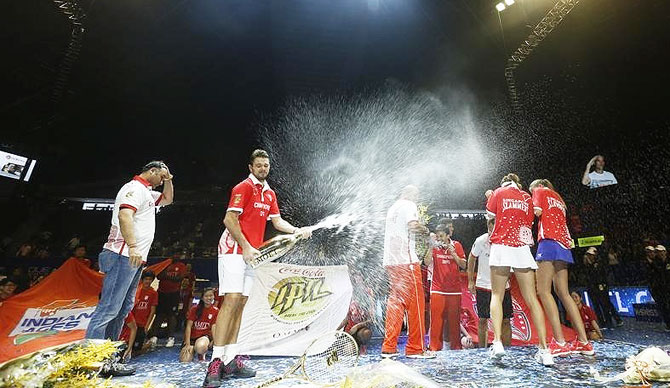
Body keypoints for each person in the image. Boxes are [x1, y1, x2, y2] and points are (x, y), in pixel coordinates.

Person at [203, 149, 312, 387]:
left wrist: (297, 230)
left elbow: (277, 221)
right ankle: (215, 362)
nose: (263, 169)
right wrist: (245, 246)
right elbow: (229, 220)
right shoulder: (243, 188)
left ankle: (230, 359)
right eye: (259, 165)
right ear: (251, 168)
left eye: (266, 165)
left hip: (253, 254)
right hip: (234, 250)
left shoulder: (270, 193)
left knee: (241, 304)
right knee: (231, 300)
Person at [85, 161, 173, 376]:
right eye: (161, 176)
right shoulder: (134, 189)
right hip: (122, 255)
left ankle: (109, 360)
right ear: (151, 171)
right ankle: (92, 362)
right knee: (108, 310)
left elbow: (168, 199)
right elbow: (125, 215)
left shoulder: (148, 193)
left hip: (134, 259)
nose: (162, 181)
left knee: (121, 312)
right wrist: (133, 246)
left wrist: (169, 180)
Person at [485, 173, 553, 365]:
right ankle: (545, 350)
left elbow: (490, 219)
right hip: (522, 248)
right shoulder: (526, 197)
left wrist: (490, 197)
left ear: (503, 183)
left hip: (501, 246)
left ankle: (497, 343)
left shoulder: (498, 192)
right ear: (518, 183)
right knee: (532, 298)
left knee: (497, 296)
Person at [529, 179, 594, 357]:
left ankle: (559, 342)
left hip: (548, 242)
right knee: (563, 293)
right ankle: (584, 342)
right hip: (564, 244)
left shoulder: (539, 191)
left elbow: (536, 212)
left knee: (542, 291)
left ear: (536, 187)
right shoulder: (558, 197)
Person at [381, 185, 434, 359]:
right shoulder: (409, 205)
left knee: (396, 304)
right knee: (416, 305)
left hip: (392, 262)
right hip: (407, 262)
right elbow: (412, 226)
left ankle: (389, 347)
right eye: (417, 196)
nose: (417, 200)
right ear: (411, 194)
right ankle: (415, 349)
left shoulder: (392, 208)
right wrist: (426, 232)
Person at [467, 218, 512, 348]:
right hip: (484, 286)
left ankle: (508, 350)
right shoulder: (481, 241)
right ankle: (482, 350)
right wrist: (470, 280)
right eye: (490, 229)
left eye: (495, 229)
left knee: (506, 320)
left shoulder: (506, 242)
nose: (492, 232)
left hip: (503, 286)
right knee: (482, 320)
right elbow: (471, 258)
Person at [425, 224, 466, 351]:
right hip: (437, 289)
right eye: (437, 236)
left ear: (448, 236)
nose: (439, 239)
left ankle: (456, 348)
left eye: (442, 236)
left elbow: (463, 265)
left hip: (454, 290)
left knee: (454, 323)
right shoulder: (435, 247)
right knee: (436, 322)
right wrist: (431, 247)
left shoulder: (457, 245)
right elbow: (426, 263)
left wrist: (453, 253)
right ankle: (434, 348)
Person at [583, 247, 623, 328]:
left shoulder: (600, 264)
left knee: (606, 305)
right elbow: (587, 276)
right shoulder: (586, 265)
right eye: (588, 255)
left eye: (591, 255)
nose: (589, 257)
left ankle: (612, 320)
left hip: (601, 287)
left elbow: (601, 275)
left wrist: (604, 285)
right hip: (592, 288)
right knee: (596, 306)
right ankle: (602, 322)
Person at [155, 257, 187, 347]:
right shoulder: (165, 264)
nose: (175, 255)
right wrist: (170, 277)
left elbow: (179, 278)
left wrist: (166, 276)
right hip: (161, 292)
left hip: (174, 293)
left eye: (177, 254)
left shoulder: (181, 266)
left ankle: (171, 337)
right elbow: (158, 276)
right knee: (159, 314)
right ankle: (153, 337)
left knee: (172, 315)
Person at [181, 288, 219, 362]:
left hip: (204, 337)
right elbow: (188, 326)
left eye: (211, 295)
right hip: (192, 338)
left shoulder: (216, 310)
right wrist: (187, 344)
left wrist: (214, 340)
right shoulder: (194, 309)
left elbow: (214, 327)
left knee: (200, 347)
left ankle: (201, 353)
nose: (209, 298)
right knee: (184, 361)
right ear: (202, 298)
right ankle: (193, 349)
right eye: (206, 296)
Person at [130, 271, 158, 354]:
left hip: (142, 324)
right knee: (128, 346)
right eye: (146, 279)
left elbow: (152, 311)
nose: (148, 281)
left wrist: (147, 326)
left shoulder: (153, 293)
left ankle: (150, 344)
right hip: (132, 324)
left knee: (136, 351)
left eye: (150, 279)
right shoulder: (136, 290)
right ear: (142, 280)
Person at [645, 245, 670, 331]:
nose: (659, 253)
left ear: (665, 251)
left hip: (666, 287)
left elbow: (660, 271)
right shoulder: (656, 261)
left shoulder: (662, 262)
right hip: (658, 288)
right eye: (657, 252)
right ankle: (668, 323)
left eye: (660, 251)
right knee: (663, 306)